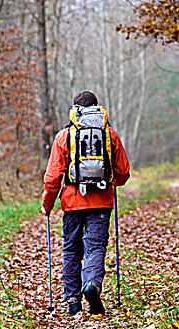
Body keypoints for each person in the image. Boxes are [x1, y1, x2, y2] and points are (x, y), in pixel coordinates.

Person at [41, 91, 130, 315]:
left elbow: (53, 178)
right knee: (95, 247)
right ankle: (92, 284)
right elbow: (124, 172)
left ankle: (73, 300)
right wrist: (111, 182)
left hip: (72, 202)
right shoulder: (109, 135)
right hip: (101, 202)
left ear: (75, 110)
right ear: (96, 108)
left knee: (72, 249)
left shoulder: (64, 136)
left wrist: (47, 204)